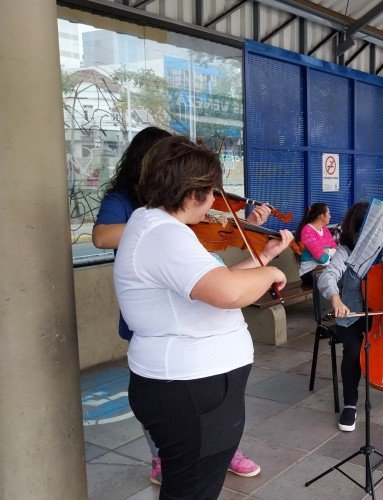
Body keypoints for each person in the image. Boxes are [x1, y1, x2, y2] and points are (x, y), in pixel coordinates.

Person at [113, 136, 293, 498]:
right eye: (212, 192)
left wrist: (265, 258)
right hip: (189, 388)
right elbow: (226, 292)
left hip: (192, 385)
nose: (215, 202)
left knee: (194, 486)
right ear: (192, 193)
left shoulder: (155, 225)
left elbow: (210, 284)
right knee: (192, 490)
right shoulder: (164, 234)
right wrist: (271, 275)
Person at [317, 202, 383, 432]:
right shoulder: (346, 252)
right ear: (358, 230)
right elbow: (328, 277)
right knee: (354, 351)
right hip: (354, 315)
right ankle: (350, 403)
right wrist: (336, 300)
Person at [294, 202, 337, 285]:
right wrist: (329, 252)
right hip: (310, 273)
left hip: (324, 269)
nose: (330, 216)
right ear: (322, 216)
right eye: (329, 213)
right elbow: (321, 259)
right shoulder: (307, 231)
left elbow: (336, 249)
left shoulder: (324, 229)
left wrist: (326, 251)